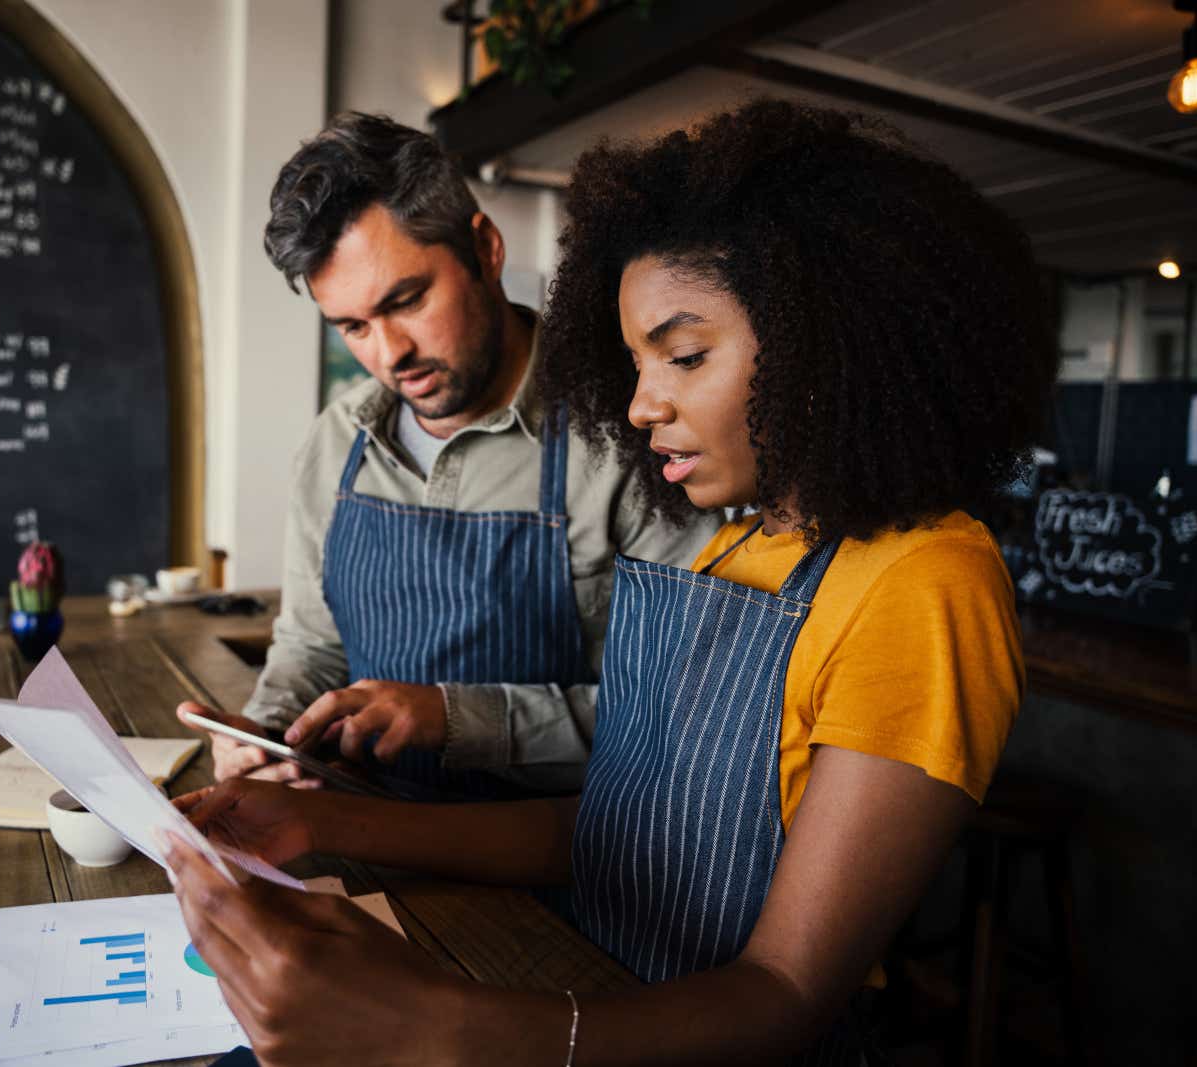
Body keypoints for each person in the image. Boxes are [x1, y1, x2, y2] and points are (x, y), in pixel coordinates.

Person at [159, 98, 1057, 1064]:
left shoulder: (930, 579)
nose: (637, 404)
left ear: (825, 337)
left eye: (682, 355)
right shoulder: (739, 550)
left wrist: (434, 1025)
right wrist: (320, 815)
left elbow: (789, 993)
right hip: (597, 989)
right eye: (634, 361)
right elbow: (613, 828)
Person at [178, 112, 713, 797]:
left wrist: (460, 718)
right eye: (352, 326)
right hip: (367, 843)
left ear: (484, 247)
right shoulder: (336, 445)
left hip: (563, 873)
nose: (389, 353)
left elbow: (680, 712)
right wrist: (267, 731)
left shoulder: (632, 438)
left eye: (407, 299)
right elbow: (311, 648)